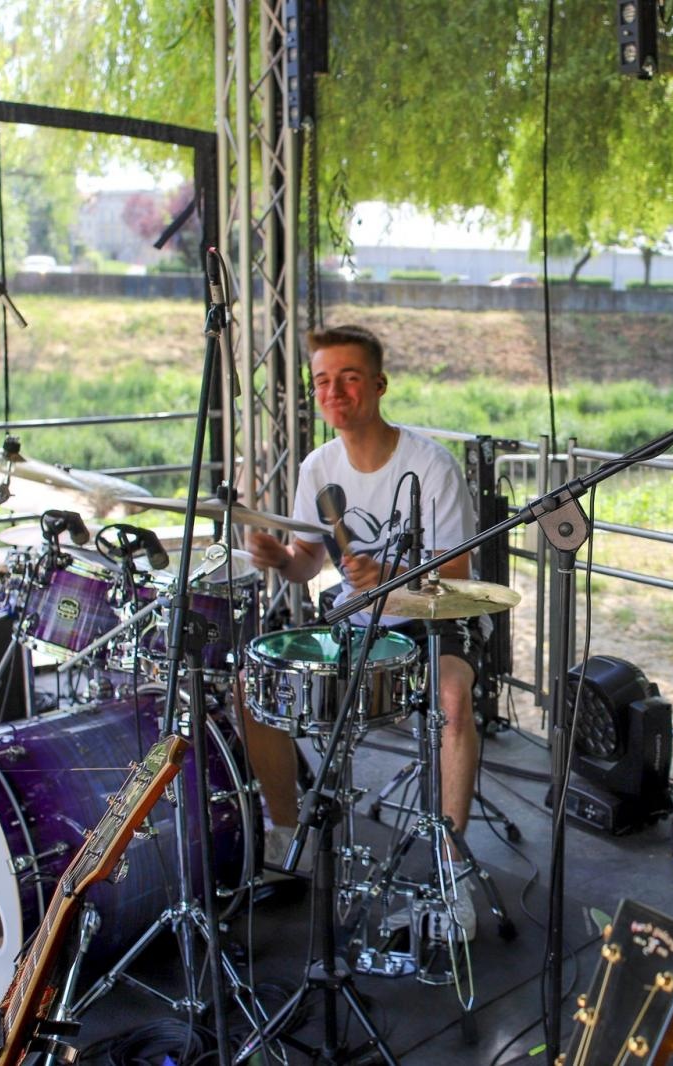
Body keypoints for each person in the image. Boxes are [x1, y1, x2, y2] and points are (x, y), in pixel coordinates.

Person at [245, 324, 485, 934]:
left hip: (432, 623)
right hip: (358, 622)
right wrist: (280, 559)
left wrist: (392, 573)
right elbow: (306, 565)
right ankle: (284, 832)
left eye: (349, 378)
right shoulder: (317, 467)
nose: (334, 391)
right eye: (323, 380)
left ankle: (454, 879)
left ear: (377, 385)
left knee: (453, 700)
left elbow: (456, 574)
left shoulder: (430, 465)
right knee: (253, 685)